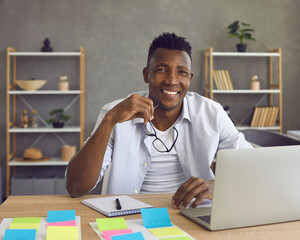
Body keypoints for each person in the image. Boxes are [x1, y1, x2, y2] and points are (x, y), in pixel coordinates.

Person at [66, 32, 252, 209]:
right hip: (128, 216)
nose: (172, 80)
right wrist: (110, 121)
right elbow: (75, 187)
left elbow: (253, 169)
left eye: (181, 72)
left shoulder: (212, 113)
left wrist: (215, 186)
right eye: (162, 70)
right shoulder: (114, 113)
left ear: (190, 78)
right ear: (147, 74)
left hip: (192, 215)